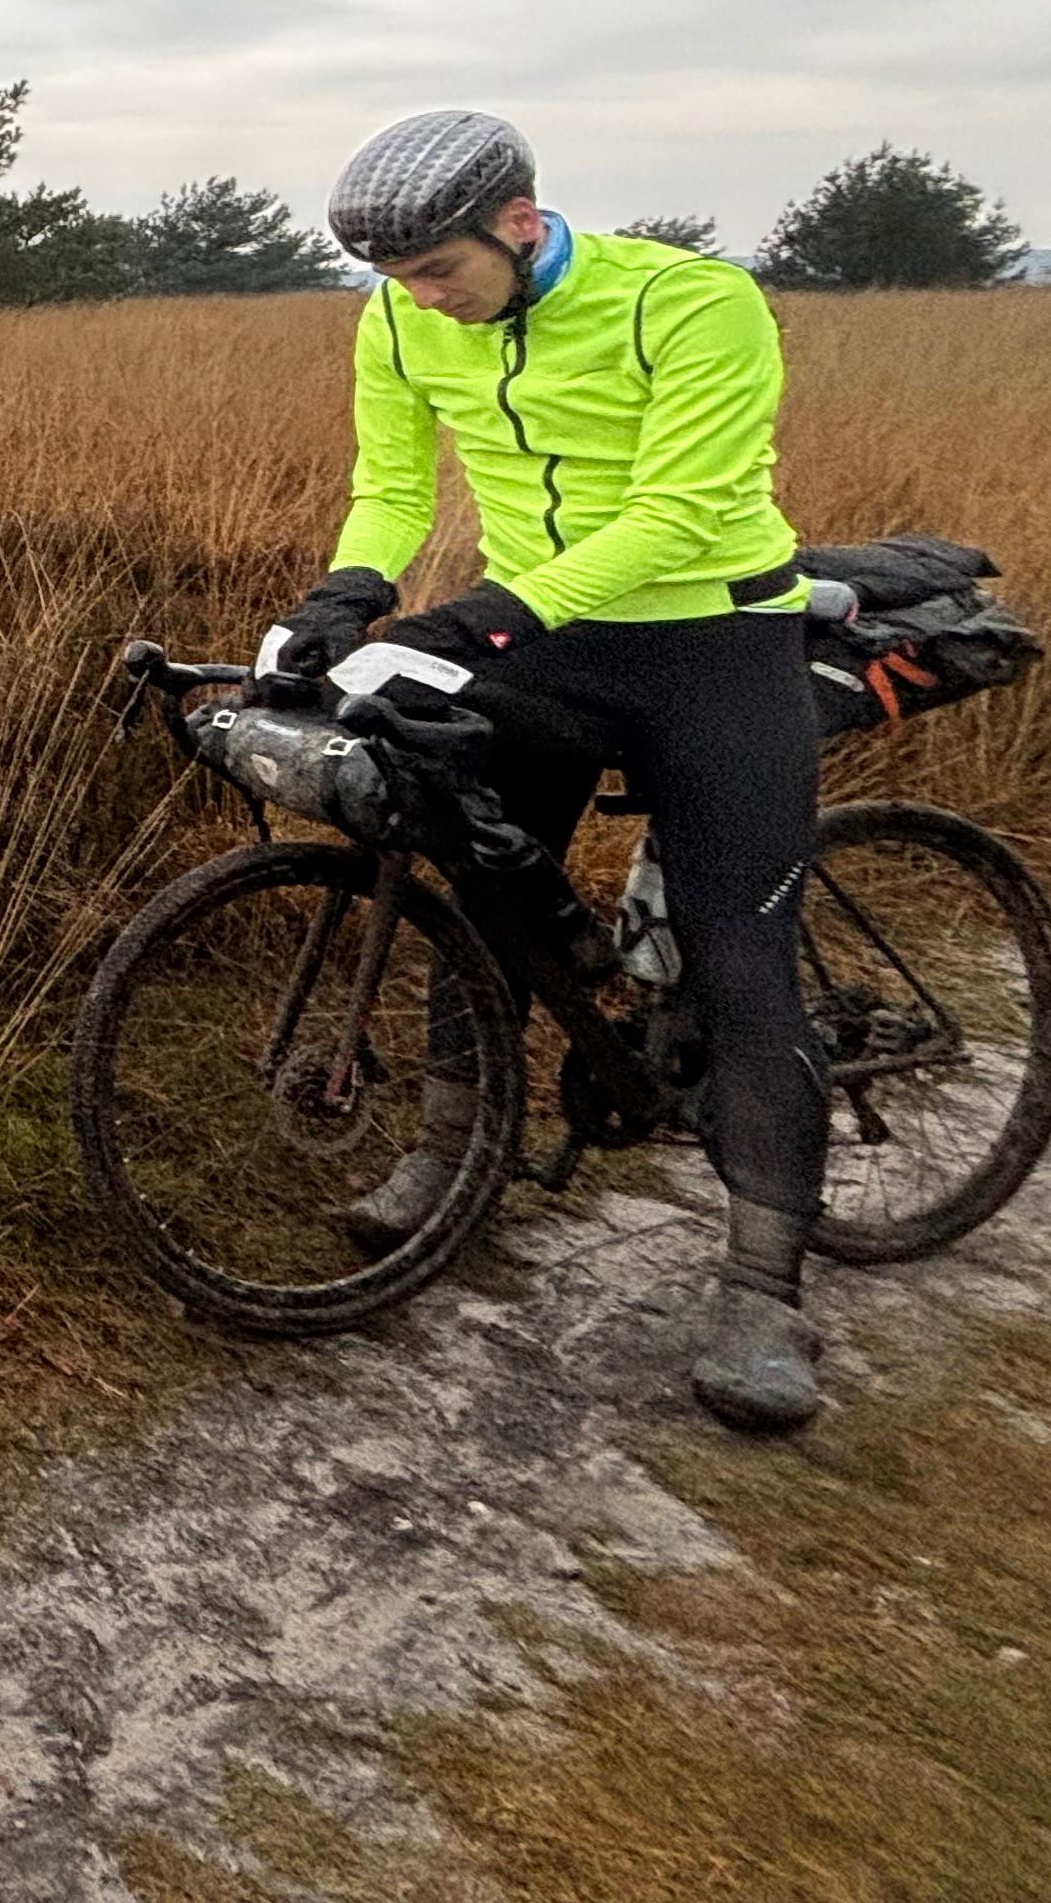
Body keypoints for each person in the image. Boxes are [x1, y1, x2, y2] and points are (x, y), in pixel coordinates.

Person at [259, 109, 827, 1430]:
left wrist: (474, 624)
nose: (424, 305)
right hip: (547, 641)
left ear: (520, 221)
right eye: (397, 283)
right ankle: (454, 1157)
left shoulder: (691, 305)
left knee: (742, 962)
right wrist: (351, 589)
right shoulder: (403, 318)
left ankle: (764, 1296)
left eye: (442, 273)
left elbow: (678, 513)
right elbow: (394, 482)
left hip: (714, 644)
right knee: (483, 895)